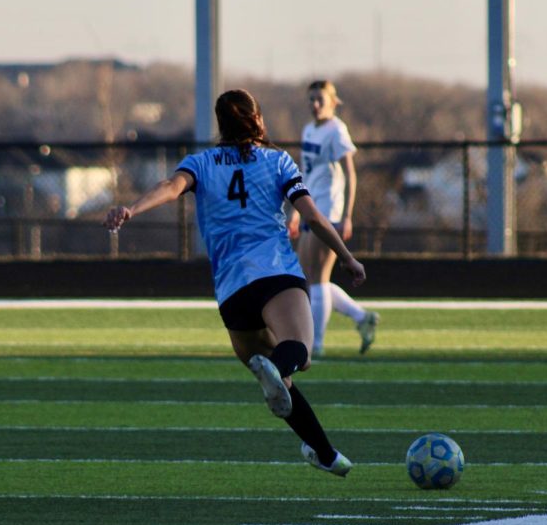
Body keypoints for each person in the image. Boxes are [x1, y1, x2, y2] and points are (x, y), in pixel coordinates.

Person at [104, 89, 366, 476]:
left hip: (232, 291)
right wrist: (346, 257)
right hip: (275, 274)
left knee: (281, 383)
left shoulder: (202, 162)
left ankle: (326, 454)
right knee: (299, 353)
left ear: (220, 125)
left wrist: (131, 208)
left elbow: (171, 187)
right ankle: (279, 371)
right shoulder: (277, 161)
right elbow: (312, 217)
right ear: (258, 120)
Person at [290, 79, 379, 358]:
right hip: (310, 207)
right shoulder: (308, 130)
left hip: (329, 210)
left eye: (320, 99)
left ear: (332, 101)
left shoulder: (336, 130)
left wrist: (348, 216)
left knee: (317, 279)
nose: (315, 104)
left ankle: (315, 345)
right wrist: (295, 210)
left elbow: (350, 174)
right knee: (310, 278)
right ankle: (361, 317)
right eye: (311, 99)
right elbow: (305, 173)